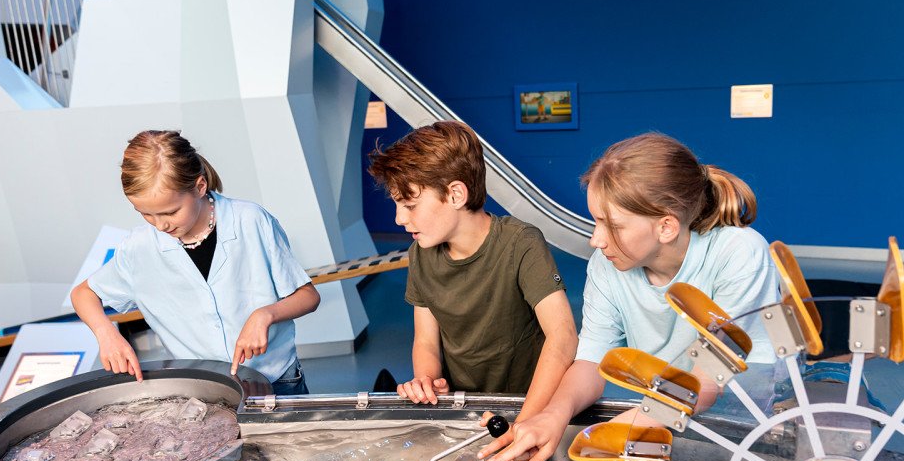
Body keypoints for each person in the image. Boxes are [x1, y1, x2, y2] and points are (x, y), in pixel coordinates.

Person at [478, 132, 779, 461]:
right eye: (596, 221)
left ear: (665, 226)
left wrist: (628, 428)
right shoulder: (607, 266)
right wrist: (554, 414)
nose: (596, 239)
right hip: (661, 414)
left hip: (739, 431)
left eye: (613, 225)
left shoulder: (739, 253)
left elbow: (710, 378)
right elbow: (591, 360)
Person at [70, 130, 320, 395]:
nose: (161, 225)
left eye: (171, 212)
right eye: (146, 214)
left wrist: (265, 315)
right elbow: (83, 293)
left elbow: (308, 296)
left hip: (276, 378)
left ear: (200, 187)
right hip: (203, 388)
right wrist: (106, 334)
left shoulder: (252, 220)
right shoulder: (138, 248)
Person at [367, 121, 577, 421]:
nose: (399, 218)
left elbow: (563, 337)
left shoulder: (520, 242)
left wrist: (524, 421)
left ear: (455, 195)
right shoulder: (420, 255)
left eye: (410, 205)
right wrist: (427, 380)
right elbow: (426, 341)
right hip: (465, 408)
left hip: (530, 404)